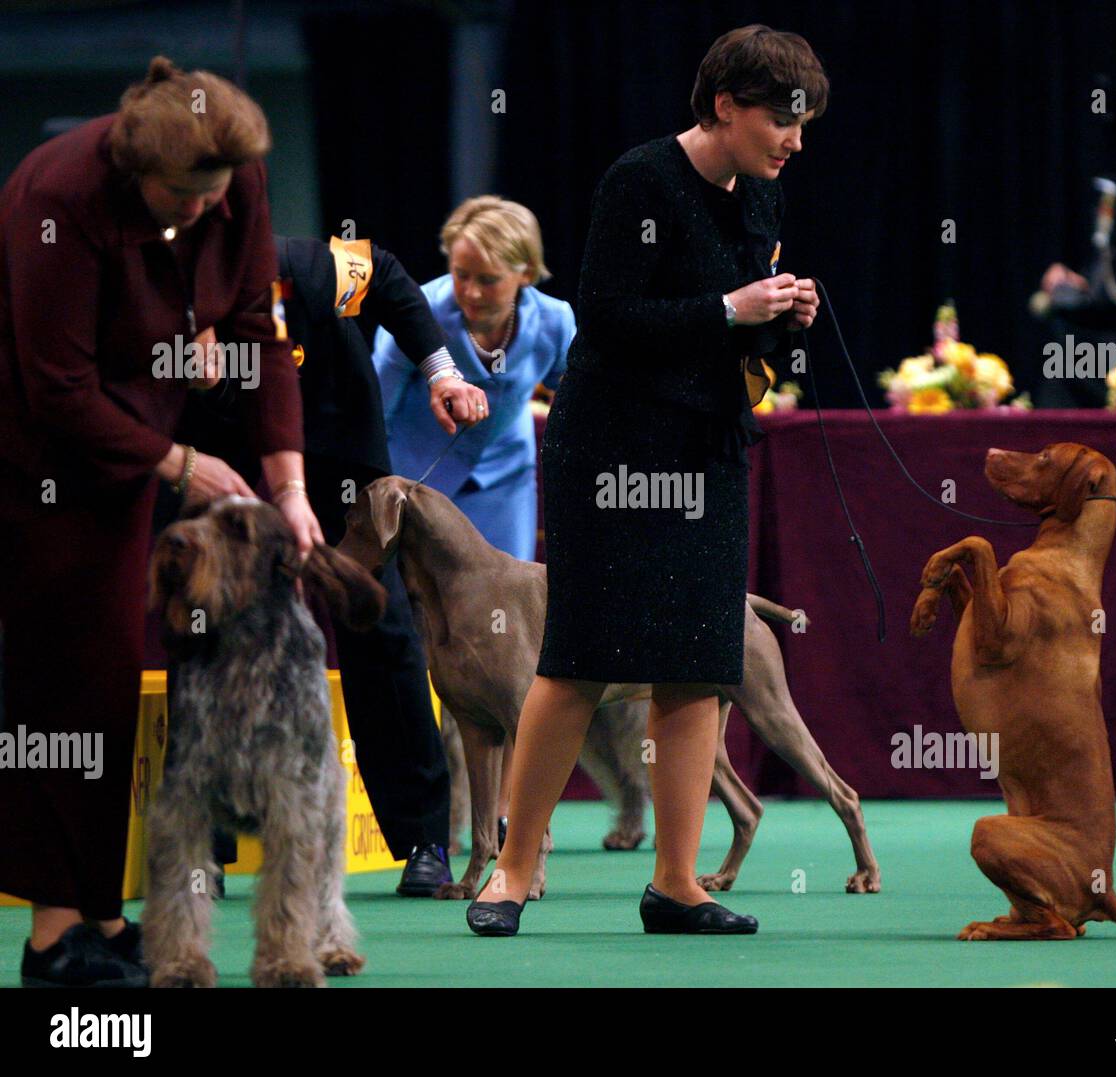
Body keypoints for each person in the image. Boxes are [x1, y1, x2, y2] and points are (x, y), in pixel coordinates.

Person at [466, 24, 826, 937]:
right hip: (612, 449)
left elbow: (735, 337)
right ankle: (509, 874)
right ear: (723, 107)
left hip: (706, 449)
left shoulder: (761, 202)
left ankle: (677, 883)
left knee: (699, 664)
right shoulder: (641, 181)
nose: (793, 141)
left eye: (803, 125)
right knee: (578, 657)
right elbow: (612, 319)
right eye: (781, 121)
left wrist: (779, 320)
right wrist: (728, 307)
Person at [0, 56, 318, 986]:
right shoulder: (56, 197)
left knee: (114, 676)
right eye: (179, 195)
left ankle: (106, 913)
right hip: (39, 451)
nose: (196, 212)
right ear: (136, 170)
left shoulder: (236, 174)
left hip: (140, 426)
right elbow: (55, 387)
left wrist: (288, 486)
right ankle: (57, 939)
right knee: (71, 681)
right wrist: (180, 464)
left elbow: (259, 332)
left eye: (212, 196)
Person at [162, 233, 490, 896]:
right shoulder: (156, 305)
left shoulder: (311, 269)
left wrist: (442, 373)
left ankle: (424, 838)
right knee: (204, 630)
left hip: (338, 446)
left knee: (383, 629)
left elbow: (393, 277)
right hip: (223, 461)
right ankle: (203, 847)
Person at [373, 196, 574, 842]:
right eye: (460, 273)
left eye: (486, 278)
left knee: (509, 657)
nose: (469, 290)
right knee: (420, 649)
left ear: (525, 272)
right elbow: (371, 409)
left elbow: (587, 396)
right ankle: (438, 820)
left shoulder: (555, 322)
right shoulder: (421, 313)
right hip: (417, 500)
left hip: (502, 488)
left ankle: (517, 818)